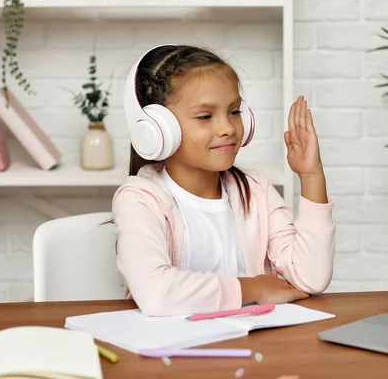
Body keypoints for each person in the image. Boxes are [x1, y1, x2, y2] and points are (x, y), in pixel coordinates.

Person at [112, 44, 335, 316]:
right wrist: (253, 289)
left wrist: (311, 176)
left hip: (251, 343)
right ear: (158, 128)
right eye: (205, 116)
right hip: (172, 351)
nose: (227, 128)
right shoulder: (140, 199)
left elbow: (310, 278)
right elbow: (157, 294)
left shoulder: (255, 190)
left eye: (234, 111)